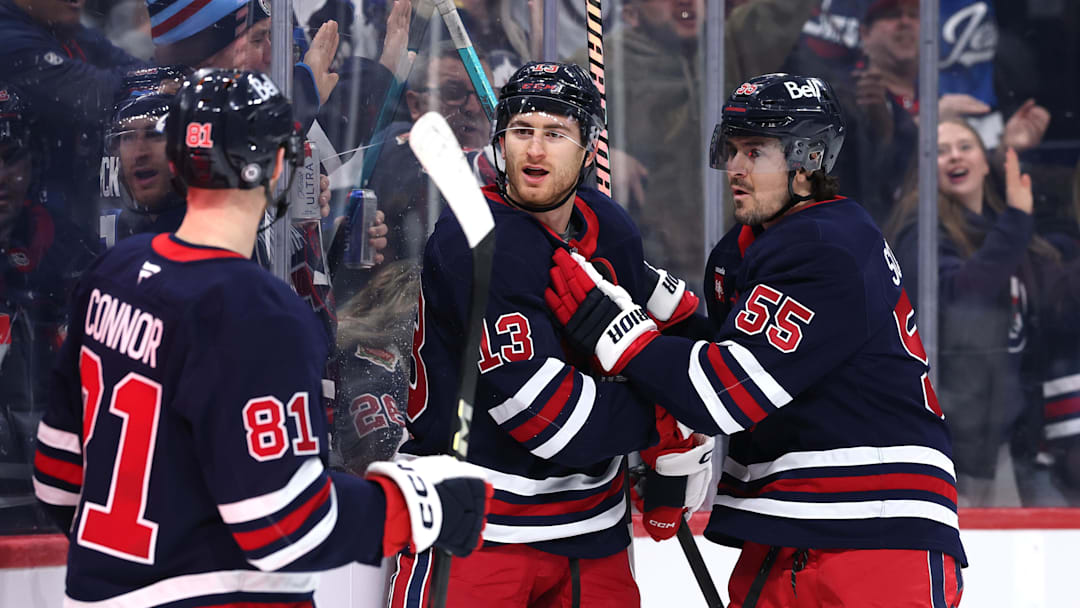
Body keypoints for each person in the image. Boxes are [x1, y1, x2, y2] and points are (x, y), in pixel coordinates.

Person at [31, 68, 491, 606]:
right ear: (279, 166)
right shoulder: (257, 311)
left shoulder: (114, 272)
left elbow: (57, 479)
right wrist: (412, 506)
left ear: (177, 163)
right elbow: (286, 526)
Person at [545, 73, 966, 606]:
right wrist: (647, 294)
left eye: (756, 152)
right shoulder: (744, 249)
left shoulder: (829, 245)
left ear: (808, 158)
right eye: (733, 149)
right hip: (789, 526)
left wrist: (622, 335)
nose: (736, 169)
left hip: (878, 528)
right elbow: (725, 355)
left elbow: (727, 391)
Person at [393, 61, 713, 608]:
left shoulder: (609, 225)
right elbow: (548, 420)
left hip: (592, 533)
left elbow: (691, 329)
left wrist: (681, 443)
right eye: (521, 131)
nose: (535, 152)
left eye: (556, 134)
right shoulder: (474, 238)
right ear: (499, 142)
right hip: (476, 530)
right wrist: (669, 415)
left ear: (591, 149)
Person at [886, 118, 1062, 507]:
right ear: (924, 167)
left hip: (1008, 432)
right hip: (957, 438)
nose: (954, 156)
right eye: (942, 149)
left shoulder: (999, 228)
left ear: (985, 162)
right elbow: (961, 299)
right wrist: (1016, 219)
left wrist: (1016, 156)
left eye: (966, 146)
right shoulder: (921, 232)